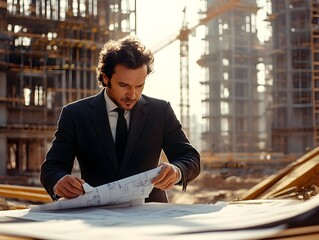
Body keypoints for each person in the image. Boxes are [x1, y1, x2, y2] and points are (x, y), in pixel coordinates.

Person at [40, 36, 201, 203]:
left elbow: (190, 157)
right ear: (105, 78)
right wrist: (58, 181)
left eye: (139, 86)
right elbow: (52, 168)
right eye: (124, 85)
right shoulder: (75, 114)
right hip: (96, 216)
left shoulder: (160, 111)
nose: (132, 95)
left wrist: (177, 171)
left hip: (152, 216)